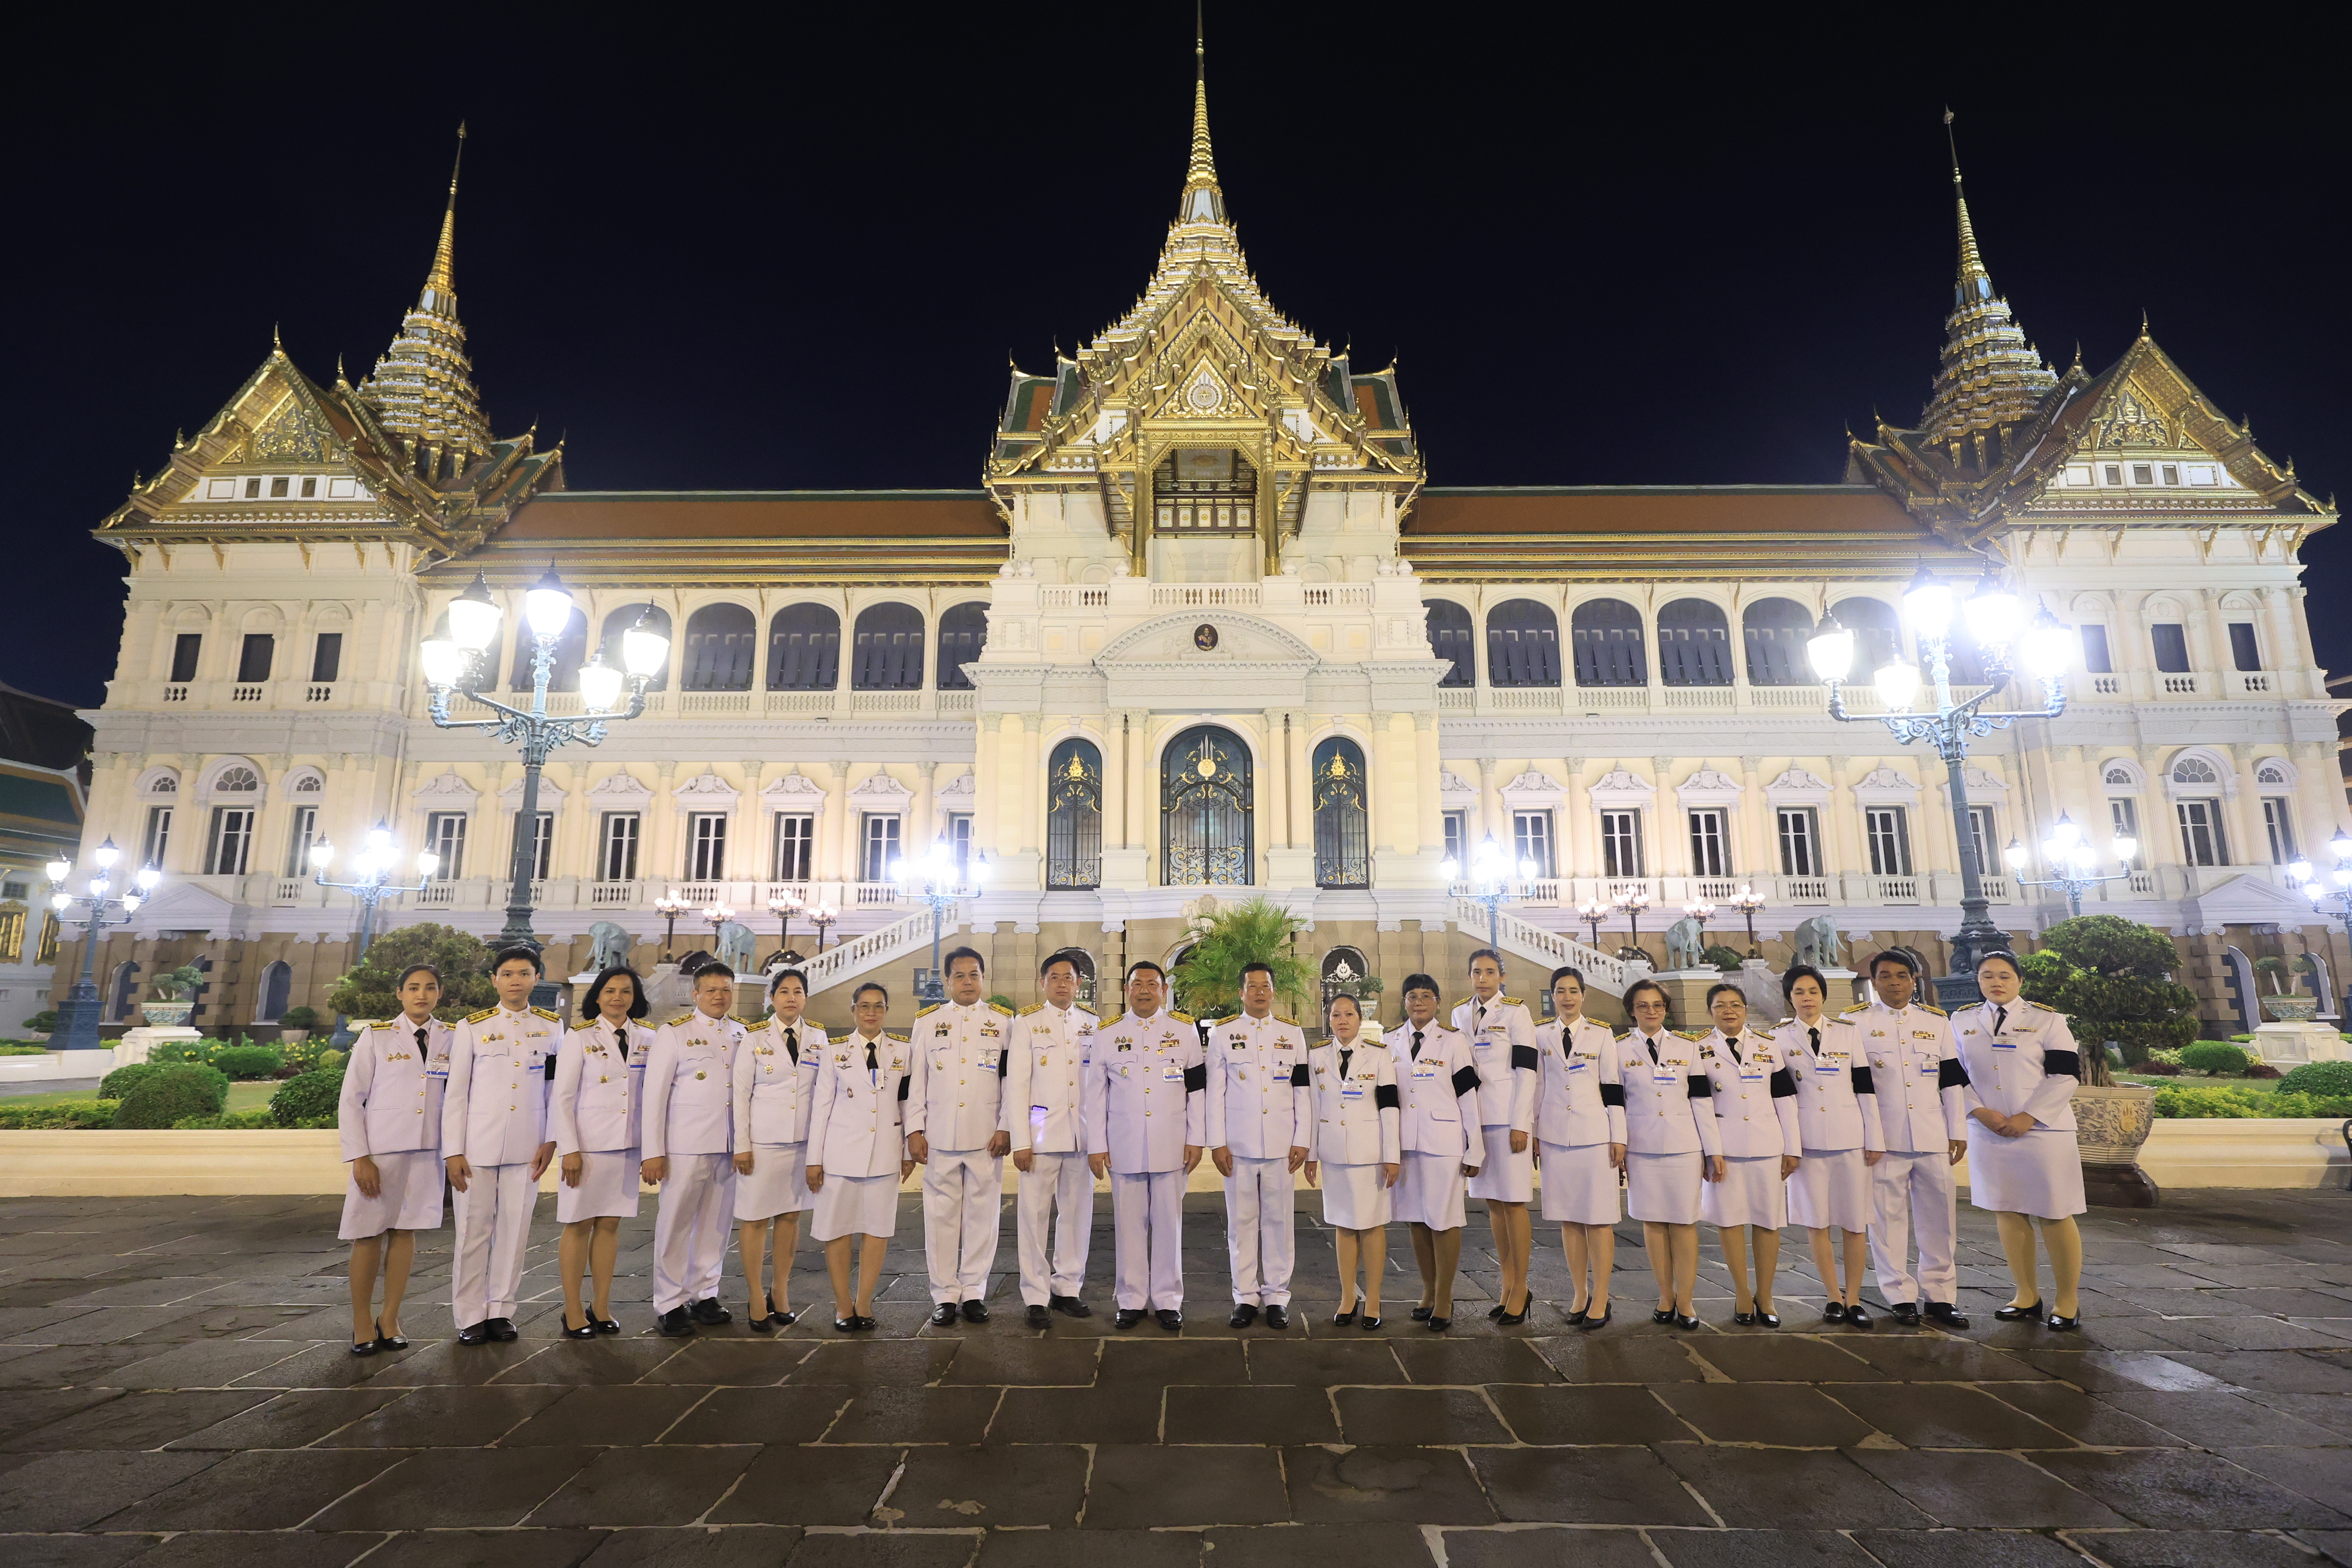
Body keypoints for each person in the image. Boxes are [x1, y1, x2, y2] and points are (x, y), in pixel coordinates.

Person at [1955, 949, 2086, 1331]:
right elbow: (1953, 1073)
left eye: (2005, 976)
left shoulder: (2047, 1020)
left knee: (2054, 1213)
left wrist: (2029, 1116)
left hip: (2043, 1132)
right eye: (1987, 976)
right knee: (2007, 1211)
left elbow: (2065, 1075)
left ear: (2020, 981)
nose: (1996, 982)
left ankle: (2067, 1300)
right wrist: (1980, 1112)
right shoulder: (1961, 1021)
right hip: (1990, 1131)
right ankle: (2026, 1294)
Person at [443, 946, 560, 1345]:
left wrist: (551, 1139)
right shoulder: (472, 1027)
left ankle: (501, 1310)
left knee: (515, 1230)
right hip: (477, 1146)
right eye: (508, 974)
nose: (516, 980)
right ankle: (470, 1314)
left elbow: (553, 1091)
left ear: (536, 978)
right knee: (473, 1232)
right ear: (495, 979)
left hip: (528, 1146)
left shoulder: (551, 1028)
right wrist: (453, 1151)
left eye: (524, 973)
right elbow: (456, 1094)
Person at [338, 962, 451, 1355]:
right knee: (367, 1234)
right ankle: (360, 1321)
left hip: (426, 1151)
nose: (422, 994)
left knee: (406, 1233)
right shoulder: (378, 1036)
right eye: (414, 987)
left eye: (430, 987)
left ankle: (390, 1317)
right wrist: (359, 1156)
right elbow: (352, 1099)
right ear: (400, 994)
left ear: (440, 994)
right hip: (381, 1152)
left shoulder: (451, 1037)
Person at [1084, 959, 1204, 1330]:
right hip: (1124, 1143)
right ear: (1127, 990)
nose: (1145, 990)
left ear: (1164, 990)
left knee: (1169, 1224)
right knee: (1129, 1225)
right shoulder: (1107, 1033)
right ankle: (1131, 1299)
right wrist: (1096, 1145)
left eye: (1153, 984)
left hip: (1171, 1143)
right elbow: (1095, 1095)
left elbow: (1198, 1090)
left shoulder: (1184, 1032)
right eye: (1138, 984)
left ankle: (1168, 1299)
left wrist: (1197, 1139)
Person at [1854, 949, 1971, 1328]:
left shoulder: (1936, 1022)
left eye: (1902, 976)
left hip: (1931, 1133)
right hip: (1884, 1138)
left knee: (1941, 1217)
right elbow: (1854, 1087)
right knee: (1887, 1219)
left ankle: (1940, 1295)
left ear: (1914, 980)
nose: (1894, 983)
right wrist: (1867, 1135)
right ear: (1874, 982)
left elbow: (1952, 1079)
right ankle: (1899, 1295)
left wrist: (1958, 1130)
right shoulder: (1854, 1024)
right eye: (1885, 976)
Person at [905, 948, 1015, 1325]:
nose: (967, 982)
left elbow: (1010, 1082)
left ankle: (974, 1291)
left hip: (986, 1135)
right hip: (939, 1136)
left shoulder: (1003, 1023)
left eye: (974, 975)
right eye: (960, 976)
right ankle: (945, 1294)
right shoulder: (928, 1022)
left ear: (983, 979)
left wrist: (1006, 1125)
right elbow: (915, 1081)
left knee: (983, 1217)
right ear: (948, 981)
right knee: (939, 1218)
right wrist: (914, 1129)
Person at [1770, 963, 1884, 1329]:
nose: (1807, 999)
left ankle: (1854, 1298)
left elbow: (1865, 1086)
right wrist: (1789, 1145)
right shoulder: (1778, 1038)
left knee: (1855, 1222)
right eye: (1799, 993)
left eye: (1813, 992)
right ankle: (1833, 1296)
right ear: (1789, 998)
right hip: (1807, 1141)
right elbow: (1780, 1097)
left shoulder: (1847, 1034)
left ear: (1824, 995)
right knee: (1816, 1223)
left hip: (1851, 1137)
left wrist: (1875, 1137)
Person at [1206, 961, 1312, 1329]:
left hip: (1282, 1145)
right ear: (1241, 992)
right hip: (1238, 1145)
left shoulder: (1292, 1034)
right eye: (1252, 986)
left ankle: (1278, 1294)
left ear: (1273, 990)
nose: (1260, 991)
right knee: (1241, 1221)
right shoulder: (1223, 1034)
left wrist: (1303, 1138)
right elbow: (1215, 1093)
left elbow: (1302, 1090)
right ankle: (1245, 1295)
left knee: (1279, 1220)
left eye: (1265, 985)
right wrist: (1217, 1142)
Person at [642, 962, 746, 1336]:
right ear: (696, 994)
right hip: (685, 1144)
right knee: (676, 1223)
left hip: (729, 1143)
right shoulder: (674, 1034)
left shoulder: (742, 1034)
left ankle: (705, 1292)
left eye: (726, 990)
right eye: (712, 990)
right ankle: (669, 1302)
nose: (720, 996)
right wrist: (653, 1151)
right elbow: (654, 1095)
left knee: (716, 1223)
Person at [805, 982, 915, 1331]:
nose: (871, 1013)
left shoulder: (902, 1050)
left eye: (878, 1007)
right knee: (838, 1230)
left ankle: (864, 1302)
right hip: (840, 1154)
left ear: (886, 1010)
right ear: (853, 1010)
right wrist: (814, 1159)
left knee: (877, 1230)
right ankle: (842, 1303)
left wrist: (908, 1149)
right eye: (864, 1006)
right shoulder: (834, 1051)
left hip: (883, 1153)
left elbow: (907, 1102)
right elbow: (821, 1106)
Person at [550, 965, 651, 1338]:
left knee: (610, 1226)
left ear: (635, 998)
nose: (617, 998)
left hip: (626, 1146)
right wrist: (570, 1150)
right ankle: (573, 1308)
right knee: (578, 1225)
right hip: (588, 1148)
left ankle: (602, 1305)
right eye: (609, 991)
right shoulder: (580, 1037)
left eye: (625, 991)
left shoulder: (647, 1037)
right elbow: (563, 1098)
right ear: (597, 996)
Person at [1616, 977, 1721, 1330]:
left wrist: (1713, 1150)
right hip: (1642, 1147)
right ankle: (1665, 1295)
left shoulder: (1687, 1047)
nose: (1651, 1011)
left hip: (1683, 1145)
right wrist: (1619, 1142)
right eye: (1643, 1005)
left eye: (1658, 1005)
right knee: (1653, 1222)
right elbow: (1615, 1102)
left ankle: (1687, 1300)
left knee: (1684, 1222)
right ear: (1632, 1011)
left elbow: (1702, 1101)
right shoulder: (1617, 1049)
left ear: (1666, 1009)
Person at [1004, 953, 1100, 1327]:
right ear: (1042, 982)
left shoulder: (1092, 1024)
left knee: (1077, 1215)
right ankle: (1035, 1295)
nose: (1062, 983)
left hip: (1082, 1135)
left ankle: (1068, 1288)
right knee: (1033, 1216)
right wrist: (1020, 1141)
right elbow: (1017, 1085)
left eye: (1069, 978)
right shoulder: (1026, 1023)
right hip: (1040, 1135)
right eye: (1055, 977)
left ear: (1079, 984)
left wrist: (1099, 1139)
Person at [1696, 982, 1799, 1327]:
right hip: (1725, 1149)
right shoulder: (1698, 1049)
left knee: (1768, 1221)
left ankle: (1766, 1294)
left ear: (1744, 1009)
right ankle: (1742, 1292)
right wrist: (1711, 1152)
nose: (1729, 1010)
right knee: (1730, 1222)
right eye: (1721, 1005)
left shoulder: (1769, 1045)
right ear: (1710, 1011)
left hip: (1768, 1145)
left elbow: (1785, 1100)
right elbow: (1702, 1105)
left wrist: (1792, 1148)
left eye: (1736, 1004)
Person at [1384, 973, 1481, 1331]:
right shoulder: (1389, 1040)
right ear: (1404, 1002)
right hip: (1406, 1143)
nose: (1419, 1002)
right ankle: (1427, 1291)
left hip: (1443, 1142)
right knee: (1415, 1218)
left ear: (1438, 1002)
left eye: (1426, 996)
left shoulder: (1454, 1042)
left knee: (1443, 1219)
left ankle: (1445, 1297)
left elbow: (1468, 1096)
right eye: (1412, 996)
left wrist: (1476, 1147)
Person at [732, 967, 825, 1331]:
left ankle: (780, 1290)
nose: (791, 998)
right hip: (762, 1144)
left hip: (801, 1142)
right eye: (784, 991)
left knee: (790, 1217)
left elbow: (824, 1094)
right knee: (755, 1219)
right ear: (772, 998)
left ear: (805, 998)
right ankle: (755, 1295)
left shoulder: (818, 1038)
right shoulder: (752, 1036)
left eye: (798, 992)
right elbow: (740, 1093)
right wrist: (742, 1145)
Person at [1531, 966, 1622, 1331]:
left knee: (1598, 1219)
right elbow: (1537, 1087)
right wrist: (1535, 1132)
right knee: (1569, 1219)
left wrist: (1620, 1136)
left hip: (1595, 1135)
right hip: (1556, 1135)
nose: (1567, 997)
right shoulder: (1541, 1034)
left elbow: (1613, 1088)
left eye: (1573, 991)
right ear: (1552, 996)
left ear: (1583, 995)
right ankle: (1580, 1293)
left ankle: (1601, 1296)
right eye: (1560, 991)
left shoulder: (1601, 1034)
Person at [1303, 992, 1399, 1329]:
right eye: (1335, 1015)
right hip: (1333, 1153)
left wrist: (1393, 1155)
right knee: (1343, 1226)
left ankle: (1373, 1299)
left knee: (1372, 1226)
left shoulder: (1378, 1055)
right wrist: (1311, 1155)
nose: (1342, 1020)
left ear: (1360, 1019)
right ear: (1329, 1020)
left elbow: (1390, 1107)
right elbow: (1312, 1108)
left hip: (1370, 1153)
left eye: (1348, 1014)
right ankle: (1347, 1296)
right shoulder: (1316, 1056)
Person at [1452, 951, 1538, 1324]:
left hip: (1507, 1119)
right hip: (1476, 1118)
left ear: (1502, 976)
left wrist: (1522, 1123)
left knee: (1514, 1203)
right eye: (1476, 972)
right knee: (1494, 1205)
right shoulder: (1459, 1014)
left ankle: (1521, 1287)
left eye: (1490, 972)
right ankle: (1507, 1283)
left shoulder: (1517, 1012)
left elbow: (1528, 1070)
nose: (1483, 978)